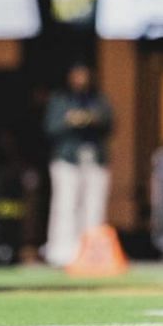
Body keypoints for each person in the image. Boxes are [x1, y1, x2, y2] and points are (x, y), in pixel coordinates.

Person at [44, 63, 114, 267]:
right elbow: (50, 127)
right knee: (65, 205)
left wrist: (91, 119)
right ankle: (61, 253)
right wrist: (70, 120)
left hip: (94, 158)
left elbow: (110, 122)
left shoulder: (98, 99)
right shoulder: (60, 99)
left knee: (94, 207)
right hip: (67, 159)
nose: (81, 78)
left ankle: (92, 253)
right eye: (77, 74)